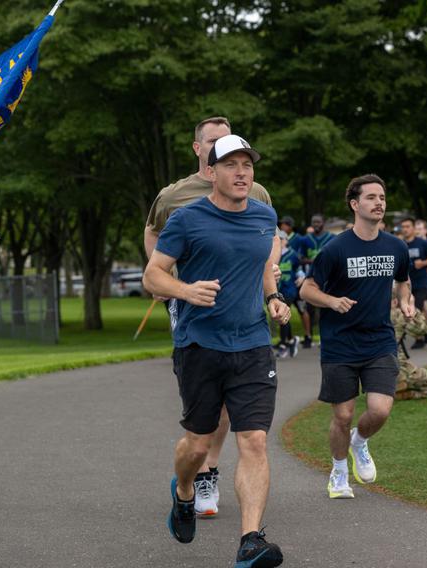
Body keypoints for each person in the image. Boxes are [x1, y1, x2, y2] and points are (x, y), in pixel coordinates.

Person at [143, 134, 288, 568]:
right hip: (200, 345)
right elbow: (153, 276)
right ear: (211, 172)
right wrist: (186, 290)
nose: (242, 172)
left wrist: (273, 297)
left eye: (248, 165)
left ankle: (250, 541)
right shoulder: (188, 219)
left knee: (255, 441)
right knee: (197, 444)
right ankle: (184, 492)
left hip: (252, 345)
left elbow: (263, 264)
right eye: (231, 165)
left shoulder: (265, 217)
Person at [300, 174, 414, 499]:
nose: (379, 203)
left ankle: (359, 442)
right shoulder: (335, 249)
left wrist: (406, 301)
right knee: (343, 414)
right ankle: (338, 473)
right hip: (340, 344)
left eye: (382, 197)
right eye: (371, 197)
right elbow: (307, 289)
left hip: (379, 341)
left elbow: (404, 281)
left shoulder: (396, 247)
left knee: (379, 410)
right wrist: (332, 301)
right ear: (354, 204)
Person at [278, 215, 315, 346]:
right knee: (284, 311)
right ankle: (288, 339)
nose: (282, 226)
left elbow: (301, 260)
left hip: (297, 285)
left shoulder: (299, 239)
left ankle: (308, 336)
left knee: (302, 309)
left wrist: (302, 276)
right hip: (285, 286)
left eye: (285, 224)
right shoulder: (276, 250)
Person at [399, 217, 427, 349]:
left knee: (417, 308)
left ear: (413, 228)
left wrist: (424, 263)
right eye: (403, 227)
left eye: (408, 226)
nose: (405, 229)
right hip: (405, 283)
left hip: (421, 282)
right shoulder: (400, 244)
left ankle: (420, 337)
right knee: (407, 310)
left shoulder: (422, 243)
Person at [304, 214, 334, 347]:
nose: (316, 224)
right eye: (313, 222)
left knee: (326, 308)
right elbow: (299, 257)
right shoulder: (306, 240)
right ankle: (309, 336)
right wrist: (313, 261)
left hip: (327, 279)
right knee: (308, 308)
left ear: (323, 223)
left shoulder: (332, 238)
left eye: (318, 222)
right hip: (310, 277)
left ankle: (327, 337)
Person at [275, 230, 304, 358]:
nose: (279, 242)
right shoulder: (272, 254)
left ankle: (283, 345)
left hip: (290, 289)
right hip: (277, 290)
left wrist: (301, 277)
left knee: (281, 315)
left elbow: (299, 269)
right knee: (283, 316)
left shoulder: (293, 255)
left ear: (286, 240)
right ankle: (292, 340)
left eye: (281, 240)